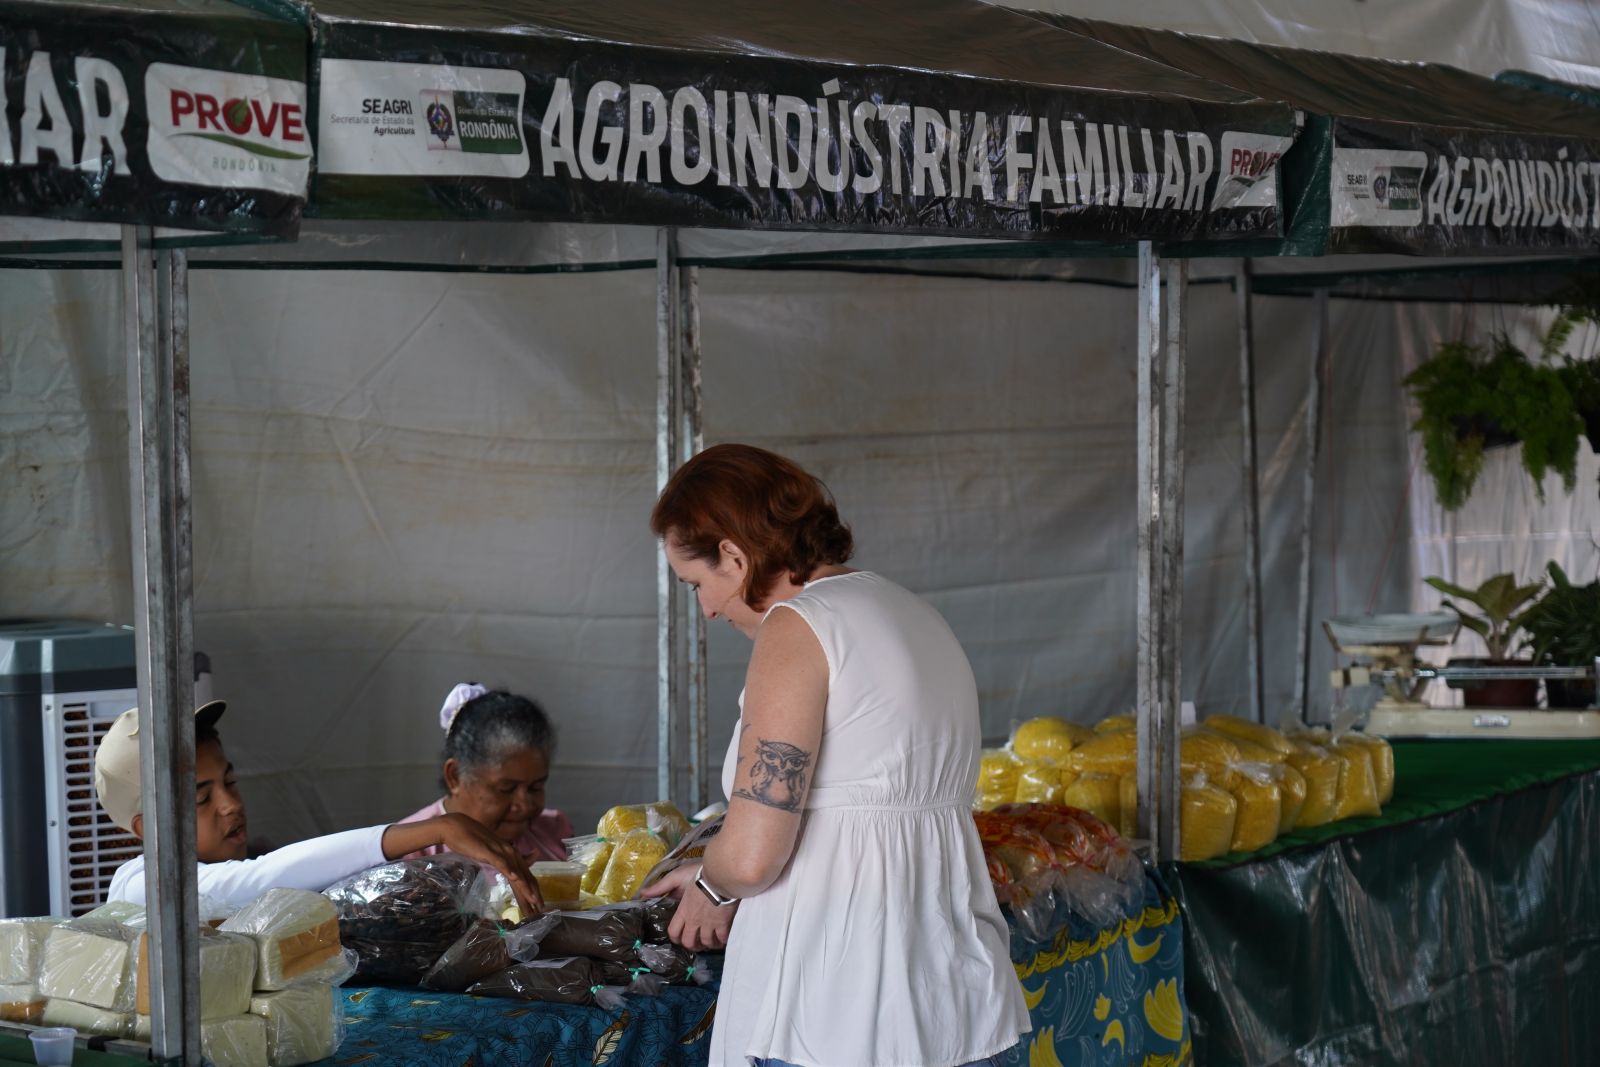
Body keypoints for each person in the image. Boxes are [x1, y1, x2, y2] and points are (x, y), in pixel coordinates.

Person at [640, 443, 1029, 1067]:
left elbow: (753, 856)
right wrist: (719, 873)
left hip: (838, 1010)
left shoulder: (798, 626)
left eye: (698, 584)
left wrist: (714, 884)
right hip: (960, 1001)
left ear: (735, 557)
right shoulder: (913, 612)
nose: (707, 609)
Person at [95, 700, 540, 913]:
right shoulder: (142, 887)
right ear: (147, 829)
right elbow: (255, 879)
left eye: (230, 782)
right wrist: (438, 828)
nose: (230, 805)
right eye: (201, 798)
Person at [395, 684, 574, 861]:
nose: (524, 805)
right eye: (506, 789)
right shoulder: (409, 851)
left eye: (536, 787)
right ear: (455, 776)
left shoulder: (554, 832)